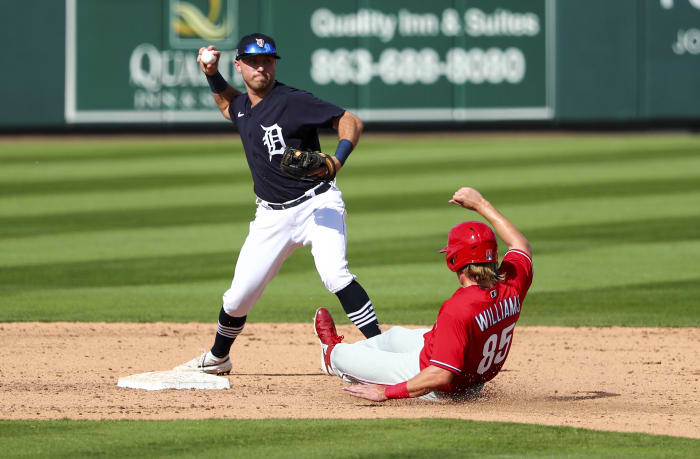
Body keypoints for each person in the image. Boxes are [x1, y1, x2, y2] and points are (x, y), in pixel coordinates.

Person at [175, 33, 381, 375]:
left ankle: (380, 346)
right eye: (253, 62)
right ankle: (218, 358)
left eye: (267, 61)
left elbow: (350, 121)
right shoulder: (242, 107)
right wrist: (211, 74)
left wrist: (337, 160)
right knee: (238, 298)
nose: (261, 68)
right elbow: (228, 106)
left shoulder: (293, 101)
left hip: (318, 205)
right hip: (270, 216)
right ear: (238, 65)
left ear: (274, 64)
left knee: (335, 274)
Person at [313, 187, 533, 401]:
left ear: (454, 260)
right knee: (393, 336)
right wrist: (480, 204)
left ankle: (331, 357)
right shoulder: (512, 282)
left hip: (437, 383)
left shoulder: (459, 308)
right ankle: (366, 359)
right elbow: (520, 243)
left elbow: (440, 374)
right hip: (469, 374)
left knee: (343, 356)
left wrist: (386, 393)